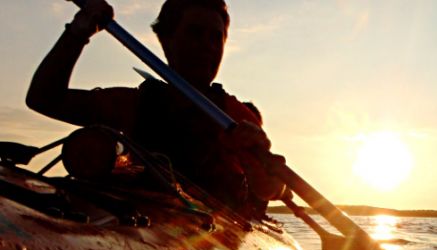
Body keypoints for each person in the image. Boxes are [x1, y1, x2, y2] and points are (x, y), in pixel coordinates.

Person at [26, 0, 287, 214]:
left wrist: (269, 183)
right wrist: (77, 33)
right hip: (136, 226)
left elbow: (271, 189)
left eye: (215, 38)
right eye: (195, 33)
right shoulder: (131, 105)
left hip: (214, 234)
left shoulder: (236, 117)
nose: (206, 46)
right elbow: (44, 98)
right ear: (166, 40)